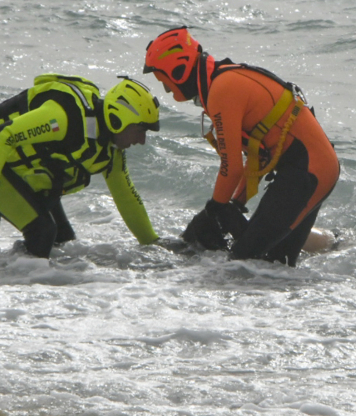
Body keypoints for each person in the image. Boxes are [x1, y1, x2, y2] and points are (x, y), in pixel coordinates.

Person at [144, 26, 339, 266]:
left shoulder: (222, 89)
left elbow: (231, 166)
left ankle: (342, 247)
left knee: (247, 264)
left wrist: (214, 209)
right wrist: (236, 203)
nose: (167, 91)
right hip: (311, 169)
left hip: (308, 171)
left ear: (178, 71)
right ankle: (341, 245)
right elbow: (257, 157)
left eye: (164, 82)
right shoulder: (222, 80)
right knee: (274, 262)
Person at [0, 75, 160, 257]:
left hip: (20, 173)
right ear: (119, 119)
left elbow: (127, 199)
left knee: (64, 243)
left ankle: (31, 280)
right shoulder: (63, 118)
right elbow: (2, 135)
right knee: (43, 232)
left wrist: (154, 246)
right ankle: (5, 288)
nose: (142, 140)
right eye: (141, 130)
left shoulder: (111, 152)